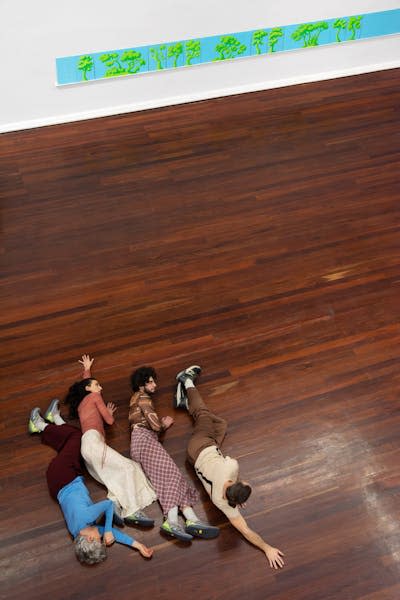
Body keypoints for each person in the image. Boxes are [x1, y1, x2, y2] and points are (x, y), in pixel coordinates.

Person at [174, 366, 285, 569]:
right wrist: (266, 548)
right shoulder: (222, 503)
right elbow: (246, 531)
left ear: (236, 483)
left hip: (200, 446)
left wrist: (238, 487)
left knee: (204, 415)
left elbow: (233, 472)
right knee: (220, 424)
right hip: (197, 458)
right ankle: (185, 394)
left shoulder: (231, 466)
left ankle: (186, 381)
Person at [28, 401, 153, 564]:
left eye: (97, 540)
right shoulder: (78, 532)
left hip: (62, 476)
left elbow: (108, 505)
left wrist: (108, 529)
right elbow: (114, 535)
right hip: (61, 484)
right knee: (76, 445)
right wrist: (138, 546)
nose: (101, 538)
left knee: (77, 437)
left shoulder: (86, 517)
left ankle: (38, 425)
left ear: (88, 539)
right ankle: (56, 419)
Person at [129, 366, 219, 542]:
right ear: (141, 385)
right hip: (145, 441)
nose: (154, 385)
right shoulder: (143, 397)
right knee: (171, 476)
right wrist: (163, 425)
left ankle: (191, 518)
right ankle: (171, 521)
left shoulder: (135, 399)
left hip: (142, 443)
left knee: (173, 477)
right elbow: (153, 425)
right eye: (150, 381)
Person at [64, 355, 156, 526]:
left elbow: (87, 383)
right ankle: (132, 511)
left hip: (87, 449)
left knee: (115, 477)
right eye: (97, 385)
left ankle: (113, 507)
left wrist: (87, 370)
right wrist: (109, 413)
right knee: (128, 467)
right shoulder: (94, 397)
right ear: (89, 389)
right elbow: (109, 421)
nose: (101, 387)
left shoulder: (82, 403)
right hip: (94, 443)